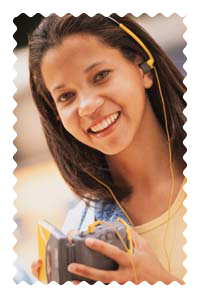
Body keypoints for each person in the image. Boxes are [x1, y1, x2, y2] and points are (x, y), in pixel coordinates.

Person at [29, 13, 186, 285]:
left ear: (143, 68)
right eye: (66, 96)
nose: (87, 106)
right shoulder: (77, 229)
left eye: (100, 76)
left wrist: (159, 284)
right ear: (56, 114)